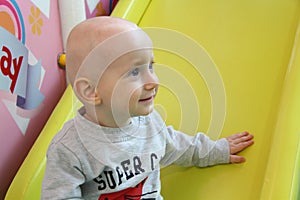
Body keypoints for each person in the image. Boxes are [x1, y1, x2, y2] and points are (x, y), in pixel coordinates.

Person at [41, 16, 254, 200]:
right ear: (91, 91)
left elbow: (178, 145)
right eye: (134, 72)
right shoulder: (70, 150)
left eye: (150, 66)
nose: (153, 81)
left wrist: (217, 150)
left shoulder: (149, 124)